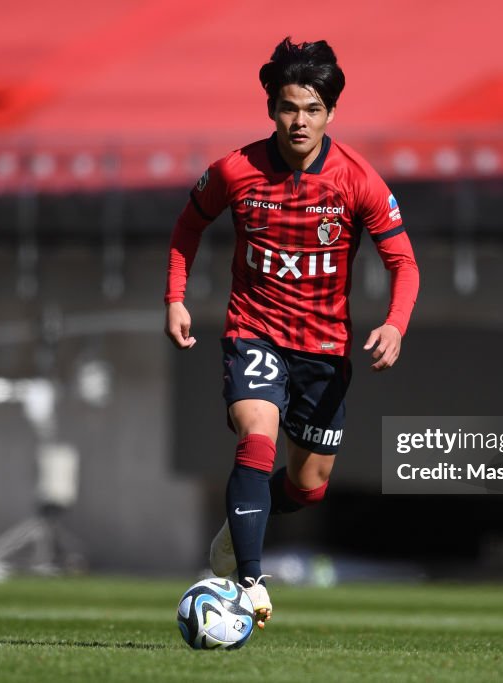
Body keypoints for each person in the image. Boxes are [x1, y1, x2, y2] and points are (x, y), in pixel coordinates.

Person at [164, 37, 419, 629]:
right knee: (256, 437)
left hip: (323, 350)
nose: (299, 121)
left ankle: (237, 529)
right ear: (271, 109)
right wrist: (175, 298)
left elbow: (404, 262)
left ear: (330, 113)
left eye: (311, 109)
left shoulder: (357, 179)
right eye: (288, 108)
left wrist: (395, 324)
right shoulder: (235, 170)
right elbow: (186, 228)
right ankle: (248, 583)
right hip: (253, 331)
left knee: (309, 486)